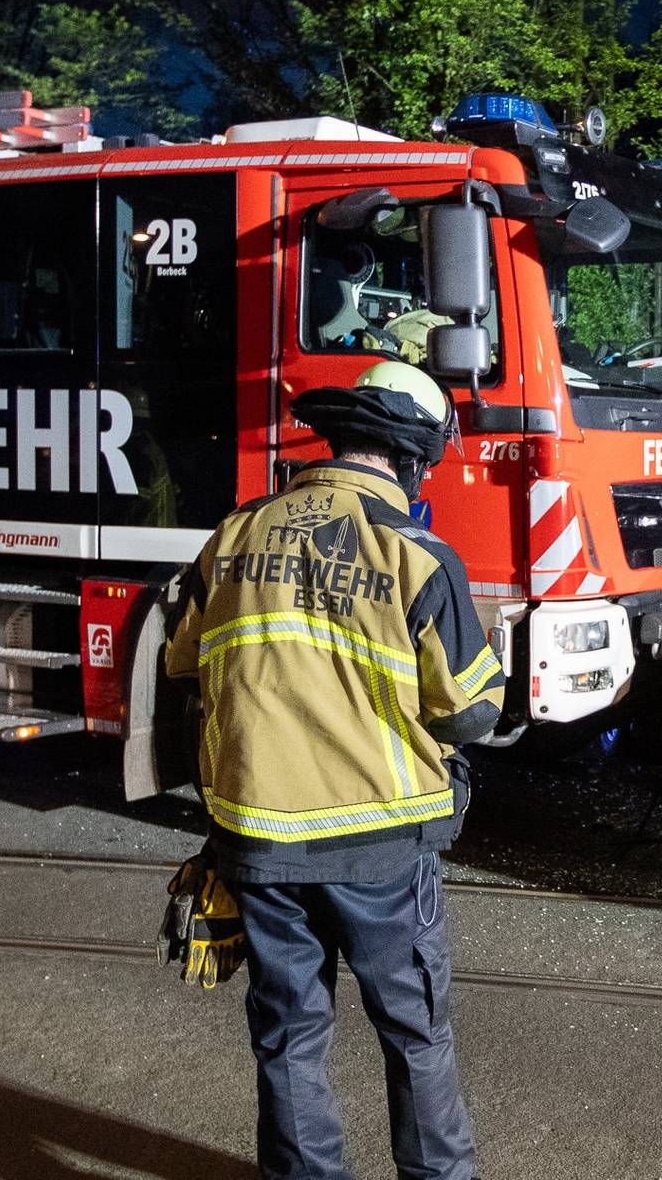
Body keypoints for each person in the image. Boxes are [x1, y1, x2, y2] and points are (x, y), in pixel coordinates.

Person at [164, 360, 505, 1180]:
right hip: (382, 843)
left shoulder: (233, 536)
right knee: (416, 1036)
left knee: (288, 1039)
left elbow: (183, 664)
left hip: (260, 840)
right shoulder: (417, 554)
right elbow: (472, 713)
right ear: (414, 458)